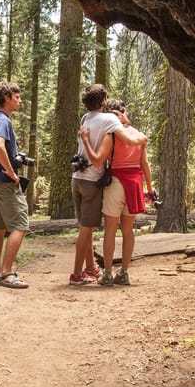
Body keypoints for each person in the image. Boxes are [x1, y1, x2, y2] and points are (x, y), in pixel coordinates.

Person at [70, 85, 147, 286]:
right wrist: (143, 137)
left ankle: (97, 270)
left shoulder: (86, 119)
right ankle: (82, 274)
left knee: (93, 228)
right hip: (103, 181)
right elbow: (131, 145)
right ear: (103, 101)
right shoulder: (111, 122)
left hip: (82, 178)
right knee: (95, 229)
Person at [97, 99, 154, 286]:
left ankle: (107, 274)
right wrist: (149, 189)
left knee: (110, 230)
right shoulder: (138, 134)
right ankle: (124, 272)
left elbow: (102, 158)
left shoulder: (112, 133)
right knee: (128, 231)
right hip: (134, 183)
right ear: (124, 112)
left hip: (115, 181)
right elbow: (145, 164)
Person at [0, 82, 30, 289]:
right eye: (17, 97)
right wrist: (10, 171)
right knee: (20, 225)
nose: (20, 101)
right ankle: (6, 273)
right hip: (5, 181)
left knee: (0, 225)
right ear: (7, 98)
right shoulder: (3, 121)